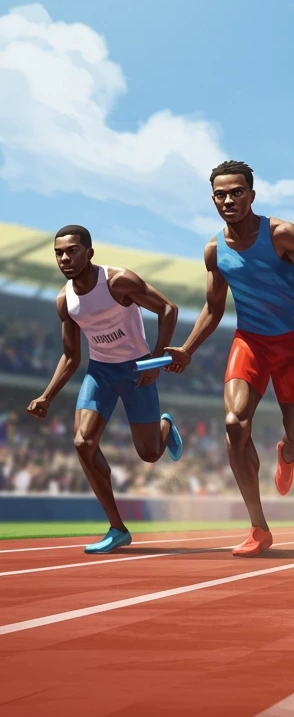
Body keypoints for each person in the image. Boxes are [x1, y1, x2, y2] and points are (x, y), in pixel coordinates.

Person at [165, 161, 294, 557]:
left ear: (251, 194)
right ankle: (258, 527)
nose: (228, 200)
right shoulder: (214, 249)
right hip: (249, 343)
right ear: (212, 198)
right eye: (220, 194)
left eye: (236, 192)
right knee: (234, 423)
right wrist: (186, 349)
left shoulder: (281, 234)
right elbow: (213, 310)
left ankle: (288, 451)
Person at [26, 225, 184, 554]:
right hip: (100, 373)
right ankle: (117, 528)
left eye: (71, 251)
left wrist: (155, 362)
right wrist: (47, 395)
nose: (64, 258)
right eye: (59, 253)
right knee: (83, 442)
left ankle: (165, 428)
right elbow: (72, 356)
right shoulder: (64, 301)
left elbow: (168, 309)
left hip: (136, 371)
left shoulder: (118, 281)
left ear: (89, 253)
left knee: (150, 454)